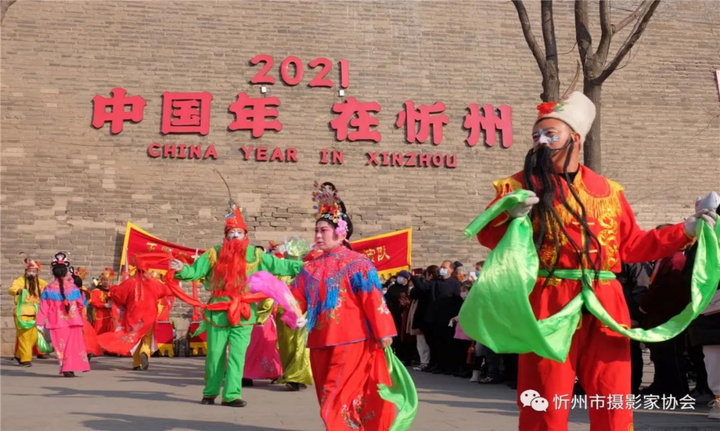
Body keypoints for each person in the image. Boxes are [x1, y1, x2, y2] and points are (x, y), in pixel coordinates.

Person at [473, 92, 716, 430]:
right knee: (543, 398)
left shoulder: (609, 191)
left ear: (575, 138)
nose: (540, 141)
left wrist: (686, 229)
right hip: (550, 300)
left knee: (612, 396)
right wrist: (509, 215)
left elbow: (632, 245)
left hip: (605, 301)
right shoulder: (518, 186)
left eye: (550, 134)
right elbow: (487, 236)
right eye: (536, 135)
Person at [171, 200, 303, 407]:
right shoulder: (214, 254)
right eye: (231, 233)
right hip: (218, 311)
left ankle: (232, 395)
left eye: (238, 232)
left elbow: (280, 265)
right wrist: (181, 269)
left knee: (237, 355)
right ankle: (210, 392)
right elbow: (195, 272)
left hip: (244, 311)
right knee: (214, 354)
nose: (235, 236)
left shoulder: (255, 255)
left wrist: (305, 266)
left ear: (245, 235)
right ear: (225, 236)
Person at [291, 184, 398, 430]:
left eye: (323, 230)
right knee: (326, 393)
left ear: (341, 232)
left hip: (352, 340)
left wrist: (383, 332)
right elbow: (295, 299)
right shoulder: (310, 268)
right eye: (316, 230)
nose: (318, 236)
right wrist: (290, 312)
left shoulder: (358, 263)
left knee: (336, 392)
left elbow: (373, 299)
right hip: (320, 340)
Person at [97, 255, 174, 371]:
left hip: (133, 315)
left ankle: (136, 363)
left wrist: (113, 289)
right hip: (149, 314)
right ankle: (145, 352)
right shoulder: (154, 283)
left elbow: (119, 295)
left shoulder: (130, 282)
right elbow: (166, 291)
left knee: (135, 337)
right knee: (147, 336)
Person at [640, 225, 690, 399]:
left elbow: (668, 289)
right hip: (657, 315)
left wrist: (645, 304)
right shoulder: (665, 258)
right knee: (659, 355)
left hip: (669, 316)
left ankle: (676, 391)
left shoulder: (676, 260)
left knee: (671, 356)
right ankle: (660, 386)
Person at [35, 252, 90, 377]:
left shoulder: (48, 289)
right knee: (73, 346)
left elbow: (43, 307)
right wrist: (77, 314)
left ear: (53, 272)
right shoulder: (73, 288)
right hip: (74, 322)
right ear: (66, 272)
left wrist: (39, 323)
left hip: (57, 323)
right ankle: (69, 368)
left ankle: (66, 368)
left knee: (62, 347)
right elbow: (81, 304)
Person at [9, 255, 48, 367]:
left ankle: (18, 355)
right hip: (22, 312)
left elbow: (50, 290)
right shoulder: (20, 281)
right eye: (29, 271)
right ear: (26, 271)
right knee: (24, 337)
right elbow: (12, 289)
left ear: (37, 272)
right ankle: (25, 360)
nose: (31, 273)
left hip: (36, 312)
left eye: (33, 271)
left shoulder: (41, 283)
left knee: (34, 336)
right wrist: (18, 290)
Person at [90, 268, 115, 335]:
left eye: (107, 280)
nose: (105, 282)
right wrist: (104, 305)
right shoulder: (96, 291)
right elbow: (94, 302)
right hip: (100, 316)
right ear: (101, 281)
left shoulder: (113, 290)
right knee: (99, 333)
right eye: (104, 280)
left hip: (111, 316)